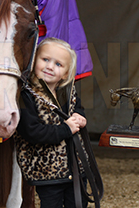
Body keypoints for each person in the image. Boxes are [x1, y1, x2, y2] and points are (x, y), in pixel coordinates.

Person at [14, 37, 88, 208]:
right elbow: (32, 132)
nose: (49, 66)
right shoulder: (26, 96)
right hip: (47, 172)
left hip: (76, 169)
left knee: (79, 203)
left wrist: (79, 116)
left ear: (66, 73)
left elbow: (78, 107)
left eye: (58, 64)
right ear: (33, 60)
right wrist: (66, 129)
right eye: (45, 60)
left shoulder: (67, 92)